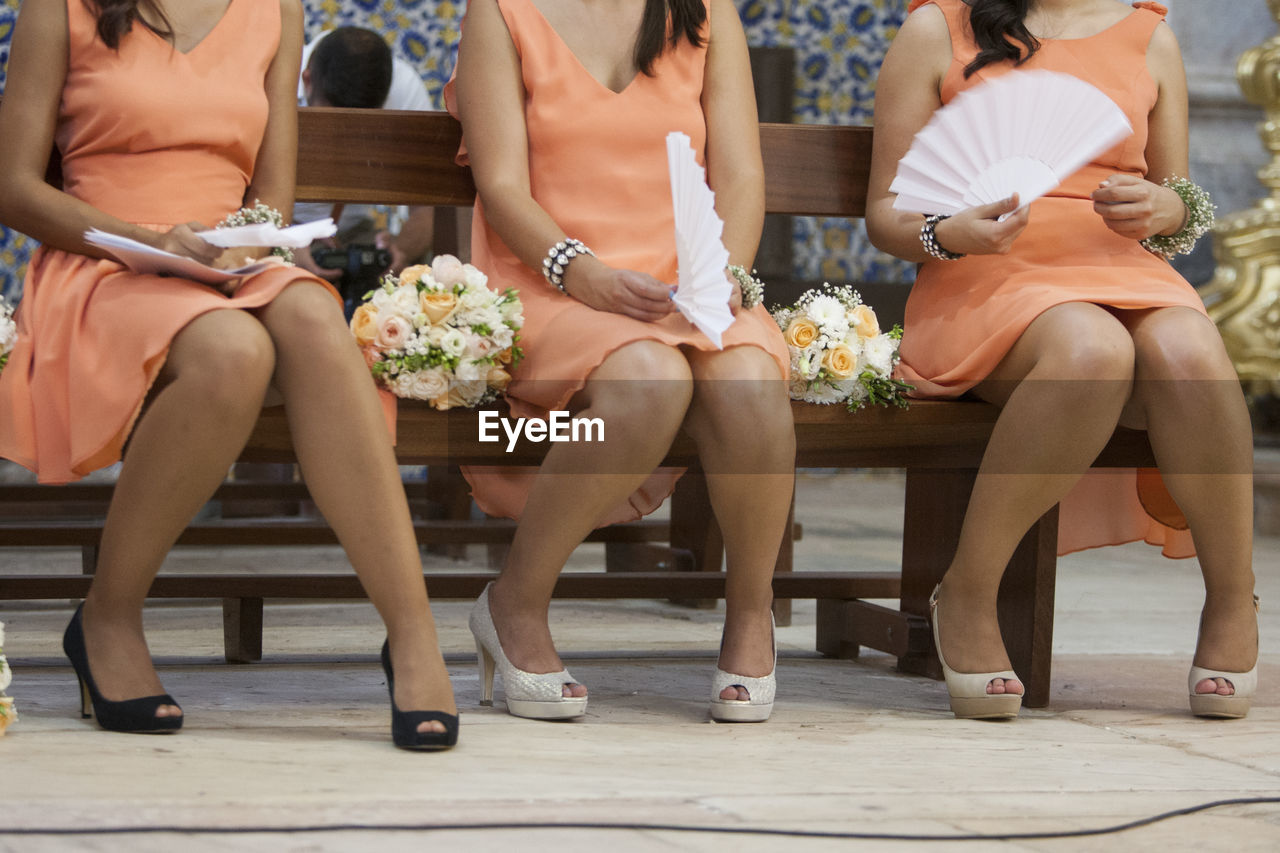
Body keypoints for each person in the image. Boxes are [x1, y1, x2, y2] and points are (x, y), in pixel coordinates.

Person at [0, 0, 457, 749]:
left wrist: (244, 243)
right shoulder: (60, 7)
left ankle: (412, 633)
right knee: (235, 354)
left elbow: (270, 193)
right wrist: (148, 240)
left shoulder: (276, 8)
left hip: (225, 263)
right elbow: (15, 186)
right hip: (103, 264)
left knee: (312, 317)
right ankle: (108, 617)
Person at [866, 0, 1258, 720]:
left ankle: (1234, 596)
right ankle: (969, 591)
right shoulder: (936, 28)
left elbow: (1183, 199)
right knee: (1092, 350)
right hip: (989, 274)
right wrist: (950, 231)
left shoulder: (1151, 36)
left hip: (1122, 267)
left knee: (1191, 350)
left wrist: (1168, 212)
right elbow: (886, 216)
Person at [449, 0, 794, 722]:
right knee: (648, 378)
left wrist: (725, 273)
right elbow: (502, 182)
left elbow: (740, 175)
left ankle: (751, 612)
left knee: (750, 379)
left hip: (685, 281)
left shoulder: (706, 14)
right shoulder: (500, 12)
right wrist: (581, 271)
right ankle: (516, 600)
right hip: (552, 279)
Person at [293, 26, 436, 309]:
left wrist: (403, 248)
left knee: (420, 286)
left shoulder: (403, 87)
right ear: (306, 81)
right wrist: (285, 243)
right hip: (281, 226)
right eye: (333, 124)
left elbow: (430, 207)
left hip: (354, 231)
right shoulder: (275, 75)